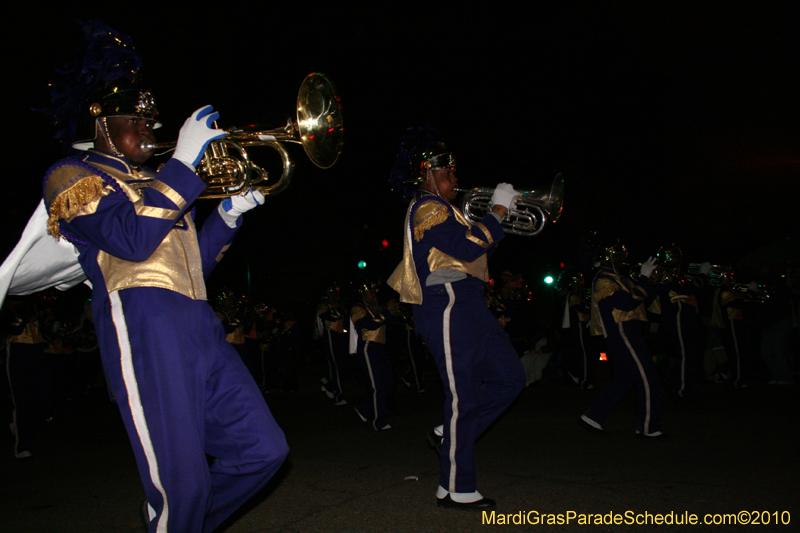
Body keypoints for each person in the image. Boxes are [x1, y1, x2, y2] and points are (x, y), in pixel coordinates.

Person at [40, 22, 288, 532]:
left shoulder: (160, 185)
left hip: (201, 326)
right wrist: (182, 166)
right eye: (140, 121)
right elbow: (130, 241)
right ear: (105, 122)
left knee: (265, 450)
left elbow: (193, 263)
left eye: (153, 123)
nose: (152, 131)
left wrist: (229, 216)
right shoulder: (71, 175)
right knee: (184, 487)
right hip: (145, 331)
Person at [387, 128, 525, 511]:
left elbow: (475, 255)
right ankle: (457, 488)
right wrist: (497, 212)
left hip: (471, 303)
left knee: (511, 379)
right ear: (426, 175)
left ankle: (446, 434)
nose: (455, 180)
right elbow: (466, 247)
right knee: (461, 395)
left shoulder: (449, 212)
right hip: (445, 303)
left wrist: (497, 223)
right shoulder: (428, 206)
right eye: (447, 172)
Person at [581, 241, 663, 437]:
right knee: (648, 378)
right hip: (622, 332)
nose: (624, 259)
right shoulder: (603, 280)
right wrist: (643, 277)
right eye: (619, 255)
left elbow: (643, 301)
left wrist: (652, 281)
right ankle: (648, 428)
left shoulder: (621, 279)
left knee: (624, 380)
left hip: (630, 331)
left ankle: (592, 417)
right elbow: (626, 304)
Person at [350, 281, 394, 430]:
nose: (374, 296)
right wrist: (386, 312)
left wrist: (392, 313)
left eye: (375, 293)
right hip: (368, 347)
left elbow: (388, 326)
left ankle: (363, 408)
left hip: (380, 347)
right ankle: (379, 421)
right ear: (363, 295)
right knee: (377, 386)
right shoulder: (357, 308)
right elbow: (369, 324)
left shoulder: (376, 308)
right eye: (371, 293)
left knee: (387, 384)